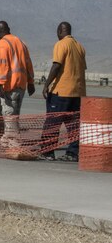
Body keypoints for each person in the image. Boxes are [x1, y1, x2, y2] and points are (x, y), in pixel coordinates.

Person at [40, 21, 86, 161]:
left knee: (52, 123)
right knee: (74, 125)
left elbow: (56, 65)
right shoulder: (80, 47)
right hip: (77, 93)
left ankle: (48, 152)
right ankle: (73, 153)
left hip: (61, 92)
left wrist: (46, 84)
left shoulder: (61, 44)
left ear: (60, 31)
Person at [0, 21, 35, 149]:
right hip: (20, 85)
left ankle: (14, 144)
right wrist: (31, 82)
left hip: (9, 86)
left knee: (9, 115)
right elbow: (28, 64)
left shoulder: (2, 44)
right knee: (13, 115)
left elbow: (2, 65)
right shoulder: (21, 42)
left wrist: (0, 84)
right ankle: (6, 141)